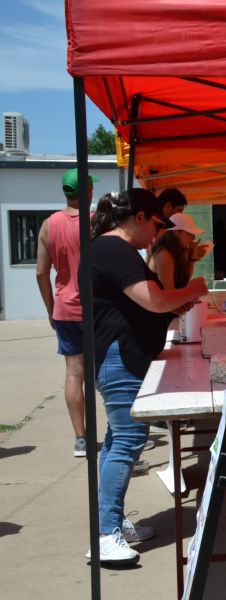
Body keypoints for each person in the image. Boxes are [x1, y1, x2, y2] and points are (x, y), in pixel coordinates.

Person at [88, 189, 208, 564]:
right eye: (157, 224)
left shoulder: (117, 251)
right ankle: (106, 534)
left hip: (121, 354)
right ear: (139, 217)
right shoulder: (113, 250)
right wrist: (193, 290)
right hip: (119, 357)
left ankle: (113, 520)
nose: (158, 234)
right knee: (127, 440)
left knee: (118, 440)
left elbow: (145, 304)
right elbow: (154, 299)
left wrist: (175, 305)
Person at [35, 168, 96, 457]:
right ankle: (119, 433)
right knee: (108, 372)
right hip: (96, 309)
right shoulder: (96, 223)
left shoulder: (48, 225)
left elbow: (40, 273)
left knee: (74, 373)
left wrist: (50, 309)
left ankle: (81, 439)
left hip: (64, 309)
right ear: (88, 191)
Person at [147, 213, 207, 290]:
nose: (193, 237)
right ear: (175, 232)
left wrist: (192, 259)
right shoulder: (164, 254)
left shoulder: (180, 250)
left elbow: (183, 283)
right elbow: (169, 293)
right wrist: (192, 293)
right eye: (189, 233)